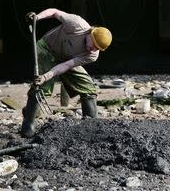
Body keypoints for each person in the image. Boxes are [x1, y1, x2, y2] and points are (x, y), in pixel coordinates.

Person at [21, 8, 112, 137]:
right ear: (90, 34)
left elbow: (66, 65)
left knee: (88, 88)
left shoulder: (92, 55)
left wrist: (47, 76)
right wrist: (37, 18)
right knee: (42, 88)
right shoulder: (77, 24)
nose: (93, 50)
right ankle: (28, 126)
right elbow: (54, 12)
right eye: (93, 45)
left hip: (66, 59)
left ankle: (91, 128)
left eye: (97, 48)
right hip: (47, 49)